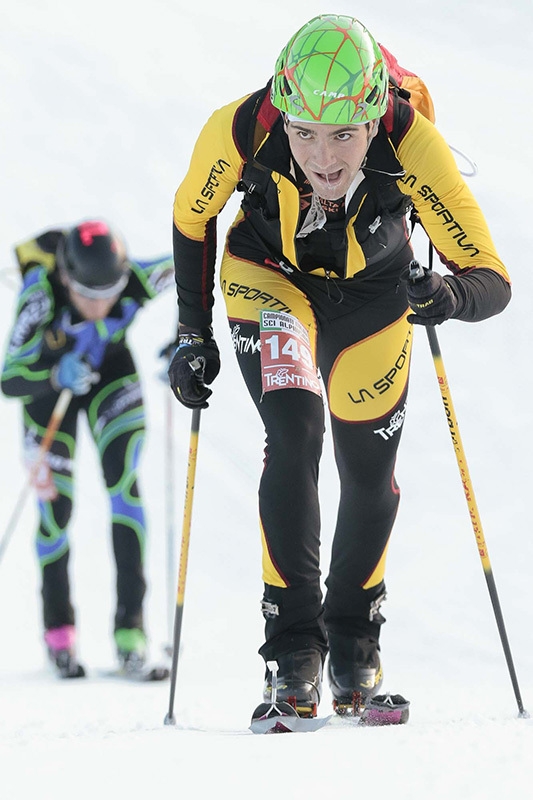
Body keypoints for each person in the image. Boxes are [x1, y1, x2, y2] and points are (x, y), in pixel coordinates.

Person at [167, 14, 511, 717]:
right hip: (268, 275)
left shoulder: (411, 138)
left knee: (367, 467)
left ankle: (353, 638)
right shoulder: (239, 128)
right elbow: (190, 216)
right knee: (293, 433)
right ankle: (292, 647)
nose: (323, 158)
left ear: (372, 119)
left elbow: (490, 278)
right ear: (282, 112)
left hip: (374, 296)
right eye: (304, 134)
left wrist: (443, 294)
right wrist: (191, 331)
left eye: (344, 136)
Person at [1, 220, 176, 679]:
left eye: (111, 292)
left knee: (124, 485)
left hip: (109, 374)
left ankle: (130, 632)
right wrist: (55, 375)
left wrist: (188, 338)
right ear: (65, 278)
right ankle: (58, 633)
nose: (101, 304)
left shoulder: (134, 280)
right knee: (55, 507)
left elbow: (194, 265)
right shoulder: (40, 295)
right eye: (86, 293)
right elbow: (10, 378)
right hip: (48, 387)